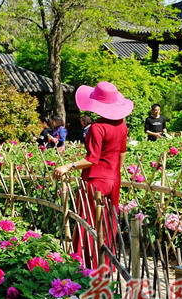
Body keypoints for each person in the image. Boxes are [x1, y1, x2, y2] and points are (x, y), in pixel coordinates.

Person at [53, 81, 133, 269]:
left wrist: (68, 165)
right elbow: (122, 155)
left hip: (96, 180)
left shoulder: (97, 127)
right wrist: (113, 173)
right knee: (108, 222)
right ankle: (105, 264)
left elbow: (92, 158)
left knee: (87, 221)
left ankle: (85, 265)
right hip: (113, 180)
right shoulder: (122, 125)